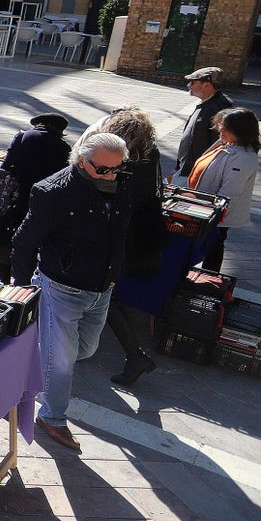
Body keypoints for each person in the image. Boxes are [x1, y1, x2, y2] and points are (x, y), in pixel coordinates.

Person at [11, 131, 133, 452]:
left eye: (117, 169)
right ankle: (52, 417)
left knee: (87, 349)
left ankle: (38, 364)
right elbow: (24, 242)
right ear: (81, 161)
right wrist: (22, 289)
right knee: (62, 361)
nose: (112, 175)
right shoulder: (52, 192)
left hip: (102, 287)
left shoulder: (123, 185)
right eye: (103, 170)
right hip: (61, 287)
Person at [81, 109, 168, 389]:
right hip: (141, 233)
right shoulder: (151, 154)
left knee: (107, 293)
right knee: (107, 291)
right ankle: (132, 354)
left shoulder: (123, 160)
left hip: (121, 234)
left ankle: (134, 355)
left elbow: (103, 190)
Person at [0, 113, 72, 281]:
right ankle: (22, 290)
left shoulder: (22, 137)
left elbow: (5, 168)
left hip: (15, 201)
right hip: (40, 205)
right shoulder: (64, 149)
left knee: (6, 245)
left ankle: (0, 281)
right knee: (29, 248)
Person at [186, 107, 261, 273]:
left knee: (213, 245)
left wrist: (212, 214)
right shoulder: (226, 143)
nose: (220, 129)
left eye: (225, 127)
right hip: (203, 206)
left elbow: (229, 192)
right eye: (221, 125)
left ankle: (209, 276)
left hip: (216, 213)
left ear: (240, 131)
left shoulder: (243, 157)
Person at [174, 67, 232, 178]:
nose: (189, 85)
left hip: (198, 172)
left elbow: (220, 143)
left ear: (206, 85)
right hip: (189, 168)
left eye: (193, 82)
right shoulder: (208, 103)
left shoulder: (219, 108)